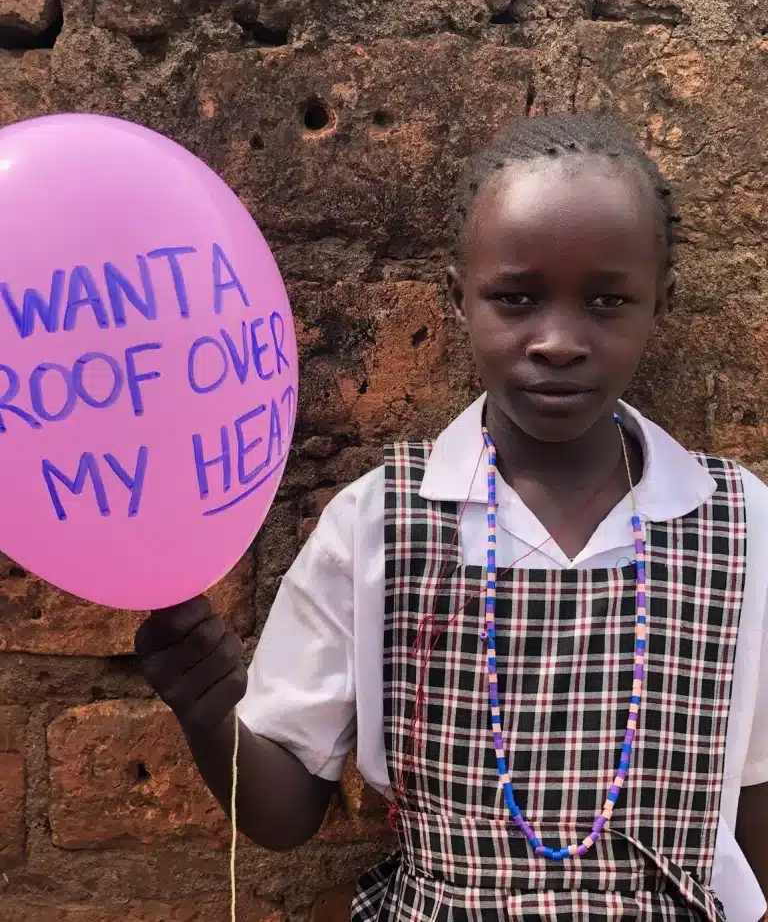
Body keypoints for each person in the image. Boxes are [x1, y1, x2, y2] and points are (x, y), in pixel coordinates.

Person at [135, 113, 768, 921]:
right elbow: (283, 813)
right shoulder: (379, 524)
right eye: (516, 298)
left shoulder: (737, 526)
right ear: (456, 298)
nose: (558, 341)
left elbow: (754, 799)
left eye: (608, 300)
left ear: (660, 305)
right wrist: (206, 699)